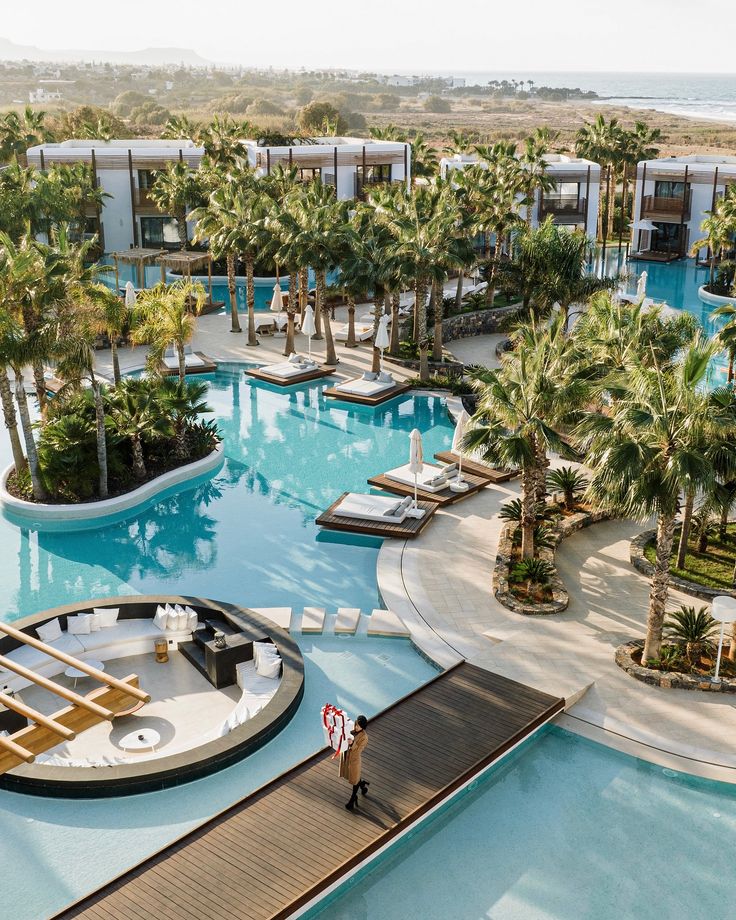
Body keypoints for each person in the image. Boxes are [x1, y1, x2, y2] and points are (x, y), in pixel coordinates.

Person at [339, 714, 369, 811]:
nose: (356, 727)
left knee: (354, 780)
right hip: (348, 758)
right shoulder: (353, 728)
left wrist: (352, 744)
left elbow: (358, 751)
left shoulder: (364, 737)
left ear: (363, 727)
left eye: (359, 726)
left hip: (355, 760)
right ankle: (363, 785)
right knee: (355, 777)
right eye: (356, 725)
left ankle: (352, 799)